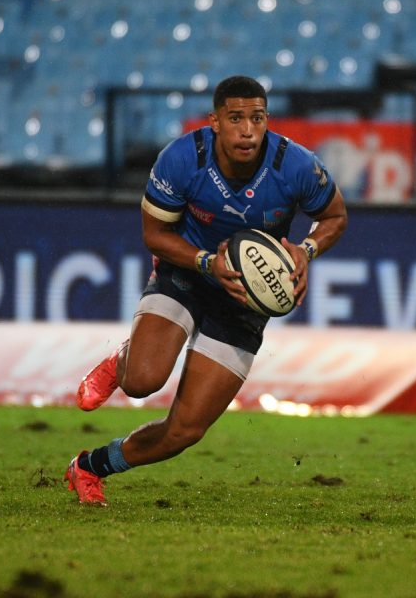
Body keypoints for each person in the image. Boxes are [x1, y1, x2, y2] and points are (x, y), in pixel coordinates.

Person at [64, 75, 348, 505]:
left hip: (245, 300)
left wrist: (306, 250)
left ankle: (90, 467)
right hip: (188, 273)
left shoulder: (296, 165)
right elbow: (155, 235)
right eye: (236, 119)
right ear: (215, 122)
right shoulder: (182, 158)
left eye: (257, 119)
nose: (248, 130)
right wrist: (204, 261)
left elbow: (335, 217)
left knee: (185, 431)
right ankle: (122, 362)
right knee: (142, 380)